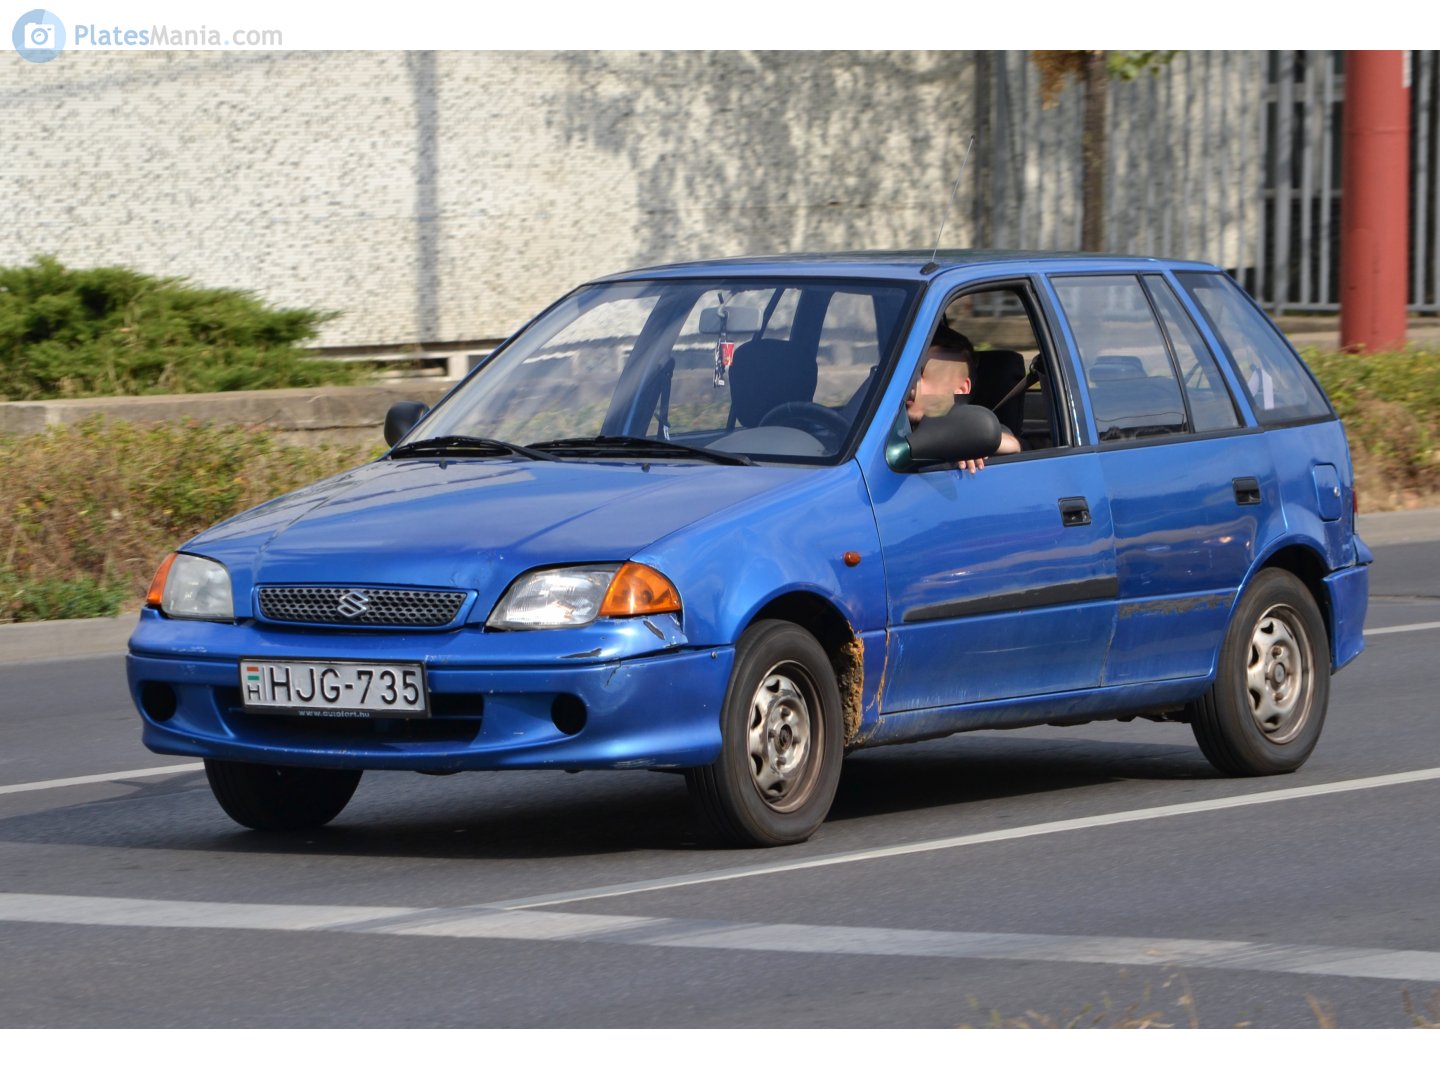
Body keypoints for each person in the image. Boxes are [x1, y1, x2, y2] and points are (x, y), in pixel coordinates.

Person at [905, 325, 1021, 473]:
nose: (913, 383)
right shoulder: (886, 419)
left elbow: (1011, 443)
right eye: (909, 374)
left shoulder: (967, 422)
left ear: (961, 387)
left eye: (926, 374)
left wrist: (965, 442)